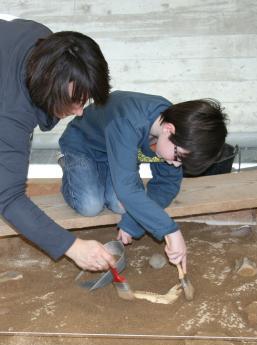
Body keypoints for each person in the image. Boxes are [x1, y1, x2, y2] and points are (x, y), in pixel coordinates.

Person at [59, 90, 228, 271]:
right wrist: (171, 231)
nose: (177, 165)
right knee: (90, 205)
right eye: (179, 157)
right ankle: (69, 168)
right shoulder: (129, 122)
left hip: (115, 158)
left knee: (121, 205)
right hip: (82, 147)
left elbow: (166, 185)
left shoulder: (177, 134)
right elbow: (127, 189)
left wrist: (133, 222)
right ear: (168, 129)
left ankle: (109, 174)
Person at [0, 17, 116, 272]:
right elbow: (8, 199)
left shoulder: (46, 44)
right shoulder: (11, 112)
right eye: (73, 102)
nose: (79, 112)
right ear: (46, 87)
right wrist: (73, 247)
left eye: (83, 100)